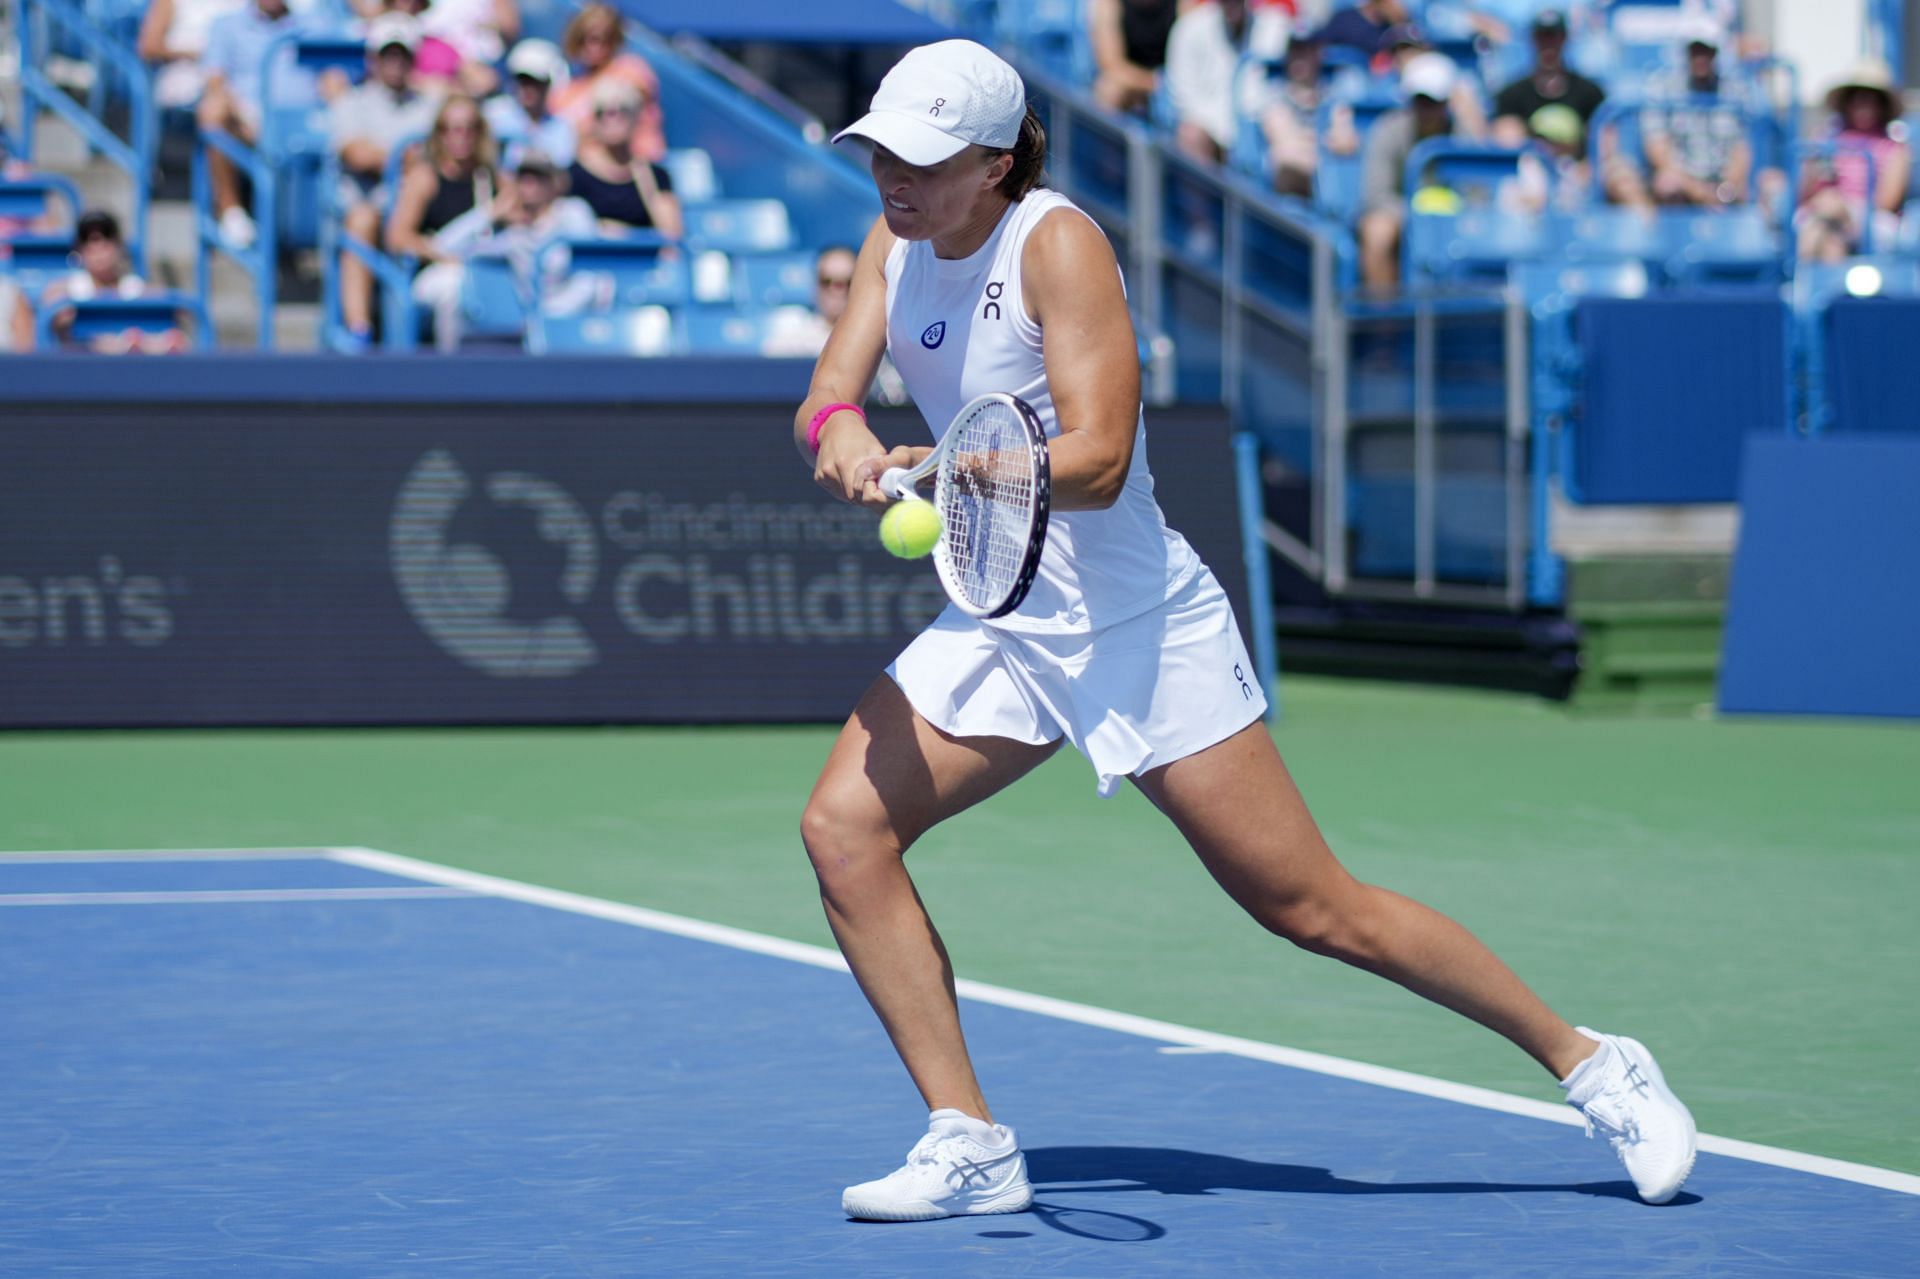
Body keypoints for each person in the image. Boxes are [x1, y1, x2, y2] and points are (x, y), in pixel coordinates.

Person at [798, 37, 1696, 1224]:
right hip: (1004, 618)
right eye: (879, 155)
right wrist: (842, 437)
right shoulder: (891, 243)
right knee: (844, 829)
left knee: (1312, 907)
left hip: (1136, 623)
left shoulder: (1055, 245)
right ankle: (969, 1140)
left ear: (1000, 161)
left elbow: (1105, 457)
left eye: (920, 160)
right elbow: (827, 395)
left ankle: (1592, 1062)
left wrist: (966, 468)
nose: (891, 180)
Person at [330, 13, 442, 349]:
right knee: (361, 220)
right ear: (373, 59)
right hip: (372, 210)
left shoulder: (429, 103)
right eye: (387, 54)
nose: (395, 63)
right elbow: (355, 153)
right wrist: (403, 158)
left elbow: (443, 154)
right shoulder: (352, 102)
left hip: (420, 212)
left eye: (402, 54)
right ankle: (359, 328)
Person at [420, 147, 598, 347]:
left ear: (555, 182)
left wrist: (549, 316)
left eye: (540, 177)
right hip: (535, 330)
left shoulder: (573, 212)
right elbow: (442, 246)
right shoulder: (512, 234)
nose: (530, 185)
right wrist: (489, 213)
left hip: (577, 322)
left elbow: (590, 273)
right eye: (523, 178)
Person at [195, 0, 330, 249]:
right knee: (212, 110)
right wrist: (246, 115)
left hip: (303, 122)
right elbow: (214, 81)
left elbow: (331, 78)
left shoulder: (314, 25)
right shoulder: (226, 25)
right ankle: (230, 211)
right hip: (246, 121)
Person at [386, 94, 499, 348]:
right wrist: (441, 254)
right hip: (437, 273)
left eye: (470, 129)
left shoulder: (490, 178)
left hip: (480, 268)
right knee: (454, 287)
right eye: (452, 129)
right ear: (440, 133)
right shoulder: (425, 178)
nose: (461, 136)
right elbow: (398, 237)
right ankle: (452, 369)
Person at [1614, 21, 1751, 209]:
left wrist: (1726, 189)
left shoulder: (1734, 92)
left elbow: (1741, 150)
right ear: (1686, 53)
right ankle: (1671, 236)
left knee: (1766, 187)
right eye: (1695, 51)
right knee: (1667, 184)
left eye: (1707, 51)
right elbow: (1658, 150)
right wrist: (1700, 192)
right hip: (1683, 183)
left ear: (1716, 53)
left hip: (1722, 183)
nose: (1701, 57)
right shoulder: (1663, 89)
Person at [1357, 52, 1465, 289]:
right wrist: (1417, 215)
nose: (1426, 110)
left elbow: (1479, 193)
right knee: (1377, 232)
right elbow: (1377, 194)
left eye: (1433, 102)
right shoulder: (1388, 131)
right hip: (1404, 215)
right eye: (1420, 101)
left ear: (1447, 103)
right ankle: (1385, 319)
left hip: (1457, 219)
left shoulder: (1463, 136)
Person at [12, 210, 186, 353]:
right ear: (79, 250)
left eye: (106, 238)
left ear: (119, 246)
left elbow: (175, 308)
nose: (98, 247)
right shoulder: (68, 288)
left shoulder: (134, 287)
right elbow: (53, 311)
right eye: (89, 240)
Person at [762, 245, 910, 404]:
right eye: (827, 282)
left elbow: (894, 396)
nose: (836, 290)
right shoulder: (791, 338)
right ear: (815, 286)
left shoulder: (883, 337)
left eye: (847, 282)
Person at [1797, 57, 1910, 263]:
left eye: (1870, 99)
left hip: (1873, 221)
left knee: (1825, 216)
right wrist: (1817, 172)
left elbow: (1887, 202)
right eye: (1857, 98)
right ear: (1846, 102)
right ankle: (1821, 290)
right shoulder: (1824, 138)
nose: (1862, 105)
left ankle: (1798, 284)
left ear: (1882, 105)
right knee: (1830, 242)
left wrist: (1843, 208)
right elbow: (1804, 191)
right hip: (1823, 218)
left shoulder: (1894, 147)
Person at [1163, 0, 1292, 168]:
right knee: (1191, 134)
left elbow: (1274, 91)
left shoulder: (1275, 25)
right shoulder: (1189, 29)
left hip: (1258, 131)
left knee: (1280, 125)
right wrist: (1226, 132)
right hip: (1209, 131)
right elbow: (1184, 101)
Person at [565, 79, 683, 238]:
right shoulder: (573, 176)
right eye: (603, 112)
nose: (612, 119)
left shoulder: (654, 176)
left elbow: (672, 236)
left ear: (636, 118)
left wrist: (623, 233)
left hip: (643, 261)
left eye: (622, 111)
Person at [552, 4, 666, 162]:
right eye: (582, 39)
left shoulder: (631, 70)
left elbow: (621, 121)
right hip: (584, 173)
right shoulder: (565, 92)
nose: (591, 46)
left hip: (635, 166)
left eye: (599, 39)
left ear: (614, 40)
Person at [1491, 9, 1605, 152]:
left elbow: (1604, 144)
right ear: (1533, 40)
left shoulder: (1589, 93)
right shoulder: (1512, 96)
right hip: (1531, 170)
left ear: (1564, 39)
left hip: (1579, 169)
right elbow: (1505, 143)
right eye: (1542, 36)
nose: (1548, 44)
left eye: (1554, 36)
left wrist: (1584, 168)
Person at [137, 0, 245, 112]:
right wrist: (197, 54)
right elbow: (148, 47)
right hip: (188, 84)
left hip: (236, 82)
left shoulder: (240, 4)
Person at [484, 38, 576, 170]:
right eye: (523, 81)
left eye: (535, 82)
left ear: (548, 84)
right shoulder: (494, 117)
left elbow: (561, 170)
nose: (528, 88)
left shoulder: (562, 128)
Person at [1089, 0, 1181, 115]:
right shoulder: (1108, 4)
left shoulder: (1183, 5)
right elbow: (1111, 66)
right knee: (1109, 90)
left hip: (1170, 79)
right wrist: (1155, 83)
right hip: (1136, 80)